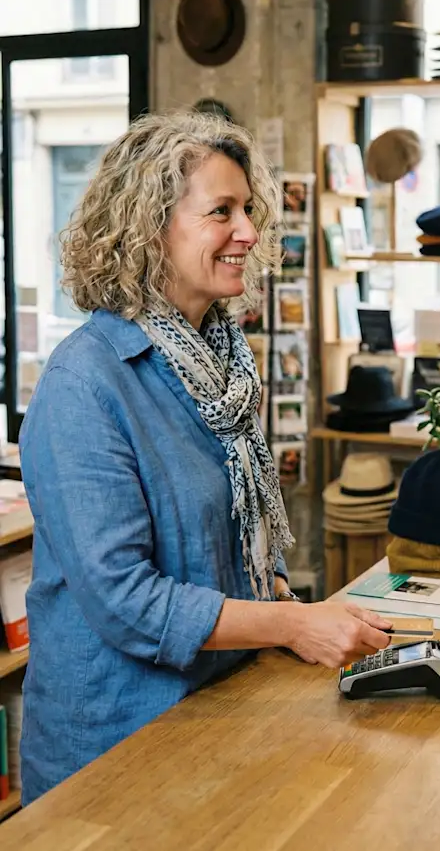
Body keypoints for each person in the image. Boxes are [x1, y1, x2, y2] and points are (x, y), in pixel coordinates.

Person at [19, 111, 391, 804]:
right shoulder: (85, 384)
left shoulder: (223, 363)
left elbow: (239, 537)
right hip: (115, 757)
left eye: (248, 209)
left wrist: (285, 602)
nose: (249, 232)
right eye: (222, 211)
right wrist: (291, 623)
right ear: (147, 228)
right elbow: (125, 602)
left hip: (224, 714)